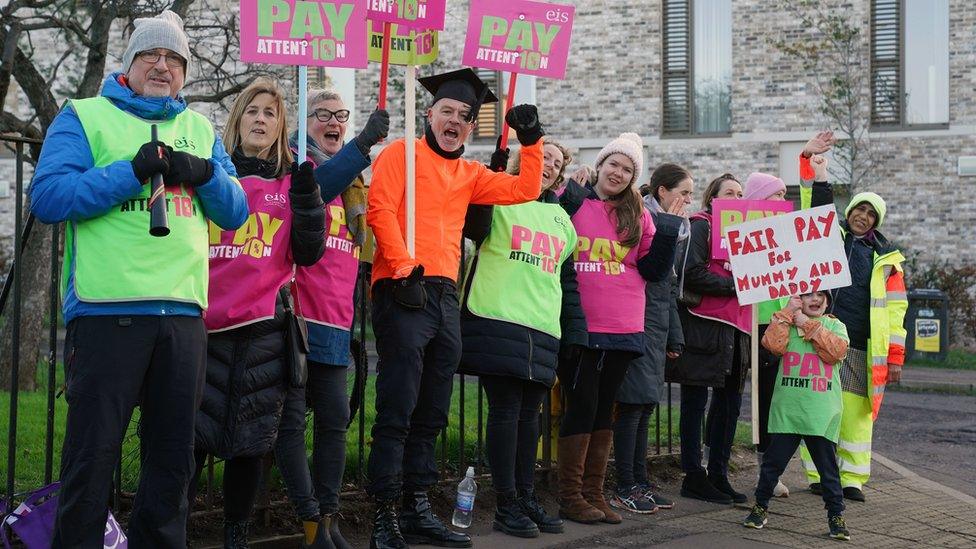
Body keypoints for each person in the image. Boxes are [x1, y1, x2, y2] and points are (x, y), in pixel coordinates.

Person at [29, 10, 248, 547]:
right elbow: (50, 196)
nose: (162, 65)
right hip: (108, 314)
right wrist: (127, 171)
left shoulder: (199, 130)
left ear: (184, 73)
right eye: (150, 54)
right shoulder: (84, 115)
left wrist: (204, 173)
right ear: (127, 64)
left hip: (182, 320)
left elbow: (237, 209)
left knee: (172, 466)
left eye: (174, 58)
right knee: (91, 460)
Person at [365, 68, 547, 549]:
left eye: (464, 117)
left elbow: (524, 190)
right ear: (429, 114)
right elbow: (381, 211)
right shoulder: (399, 154)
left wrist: (532, 140)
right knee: (398, 404)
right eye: (447, 111)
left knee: (433, 409)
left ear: (469, 128)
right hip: (403, 286)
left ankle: (416, 505)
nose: (454, 121)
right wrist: (404, 265)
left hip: (445, 297)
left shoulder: (469, 173)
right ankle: (384, 514)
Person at [191, 77, 327, 547]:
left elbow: (308, 254)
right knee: (188, 437)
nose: (261, 119)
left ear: (281, 126)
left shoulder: (293, 184)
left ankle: (236, 534)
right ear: (237, 119)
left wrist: (309, 200)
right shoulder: (211, 174)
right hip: (202, 326)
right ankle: (171, 528)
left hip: (263, 330)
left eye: (271, 113)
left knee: (250, 443)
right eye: (253, 110)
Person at [274, 89, 388, 549]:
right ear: (306, 122)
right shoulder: (296, 167)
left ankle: (328, 516)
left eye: (341, 116)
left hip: (338, 323)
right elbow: (317, 191)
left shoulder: (356, 184)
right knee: (291, 424)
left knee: (335, 423)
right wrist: (362, 145)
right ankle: (307, 521)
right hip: (297, 320)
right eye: (323, 115)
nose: (334, 122)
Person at [457, 136, 582, 538]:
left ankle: (525, 496)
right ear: (523, 158)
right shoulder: (499, 195)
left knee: (531, 418)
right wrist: (494, 173)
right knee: (507, 412)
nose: (548, 165)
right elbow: (474, 227)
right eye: (542, 156)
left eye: (556, 162)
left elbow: (564, 276)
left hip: (542, 327)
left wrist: (574, 330)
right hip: (499, 320)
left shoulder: (563, 218)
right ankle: (506, 502)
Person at [556, 133, 680, 526]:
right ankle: (570, 496)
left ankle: (594, 493)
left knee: (606, 409)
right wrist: (571, 190)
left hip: (625, 326)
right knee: (582, 404)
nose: (619, 172)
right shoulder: (576, 199)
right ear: (601, 164)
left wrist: (671, 227)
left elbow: (653, 271)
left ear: (632, 178)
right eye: (614, 164)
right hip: (583, 325)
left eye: (627, 169)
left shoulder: (638, 214)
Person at [798, 150, 908, 502]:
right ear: (850, 211)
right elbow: (815, 210)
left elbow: (896, 313)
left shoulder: (888, 262)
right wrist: (818, 172)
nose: (862, 216)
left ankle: (853, 479)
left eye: (870, 213)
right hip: (820, 337)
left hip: (861, 344)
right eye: (859, 209)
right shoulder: (830, 236)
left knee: (857, 414)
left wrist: (895, 358)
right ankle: (818, 473)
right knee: (820, 407)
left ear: (877, 221)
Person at [611, 163, 692, 515]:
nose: (689, 199)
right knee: (631, 406)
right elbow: (649, 274)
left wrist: (674, 335)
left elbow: (668, 288)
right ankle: (625, 484)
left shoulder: (678, 227)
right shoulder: (644, 219)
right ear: (662, 191)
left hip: (657, 325)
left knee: (645, 407)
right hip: (637, 322)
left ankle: (639, 481)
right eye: (684, 192)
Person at [666, 173, 750, 505]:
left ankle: (718, 473)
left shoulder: (747, 235)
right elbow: (691, 272)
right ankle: (693, 476)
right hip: (702, 328)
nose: (736, 197)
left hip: (735, 330)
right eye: (729, 192)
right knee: (695, 403)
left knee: (729, 406)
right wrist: (737, 286)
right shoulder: (702, 226)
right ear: (712, 199)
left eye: (741, 194)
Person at [743, 291, 851, 541]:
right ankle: (760, 508)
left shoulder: (835, 325)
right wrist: (786, 315)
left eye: (820, 295)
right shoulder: (786, 322)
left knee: (828, 470)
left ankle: (836, 516)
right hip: (788, 412)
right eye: (808, 294)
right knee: (772, 465)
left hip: (820, 414)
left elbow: (835, 351)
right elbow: (772, 344)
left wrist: (804, 322)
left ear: (827, 300)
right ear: (797, 299)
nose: (815, 299)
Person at [741, 170, 791, 499]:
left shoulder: (786, 232)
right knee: (756, 399)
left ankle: (771, 470)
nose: (783, 200)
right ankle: (763, 469)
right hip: (752, 322)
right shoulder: (742, 233)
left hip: (779, 322)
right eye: (777, 194)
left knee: (776, 400)